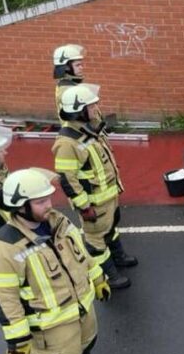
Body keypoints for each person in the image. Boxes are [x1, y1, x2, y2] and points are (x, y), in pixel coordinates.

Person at [0, 168, 110, 354]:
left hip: (82, 317)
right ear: (21, 207)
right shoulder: (2, 249)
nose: (49, 205)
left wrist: (98, 277)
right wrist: (18, 339)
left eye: (48, 198)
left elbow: (80, 253)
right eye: (41, 201)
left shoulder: (57, 222)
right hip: (52, 335)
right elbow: (4, 299)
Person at [52, 84, 136, 290]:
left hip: (108, 197)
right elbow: (67, 179)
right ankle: (110, 275)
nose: (96, 108)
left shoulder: (89, 130)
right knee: (96, 240)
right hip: (94, 203)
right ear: (79, 111)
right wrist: (84, 206)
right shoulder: (67, 144)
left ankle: (119, 256)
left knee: (111, 228)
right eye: (91, 106)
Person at [52, 44, 85, 121]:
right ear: (67, 67)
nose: (81, 68)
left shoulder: (71, 83)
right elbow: (75, 117)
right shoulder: (66, 88)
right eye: (77, 65)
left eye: (81, 64)